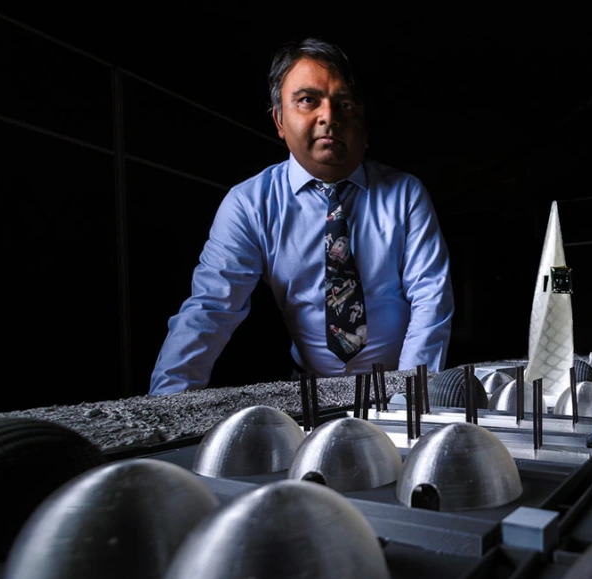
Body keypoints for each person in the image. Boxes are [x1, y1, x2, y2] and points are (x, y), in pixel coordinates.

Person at [149, 39, 454, 395]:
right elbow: (210, 309)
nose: (329, 117)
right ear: (279, 119)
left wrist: (410, 402)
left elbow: (431, 300)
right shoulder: (250, 204)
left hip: (396, 385)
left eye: (344, 104)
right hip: (308, 391)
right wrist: (165, 408)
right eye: (308, 100)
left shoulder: (406, 194)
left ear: (363, 123)